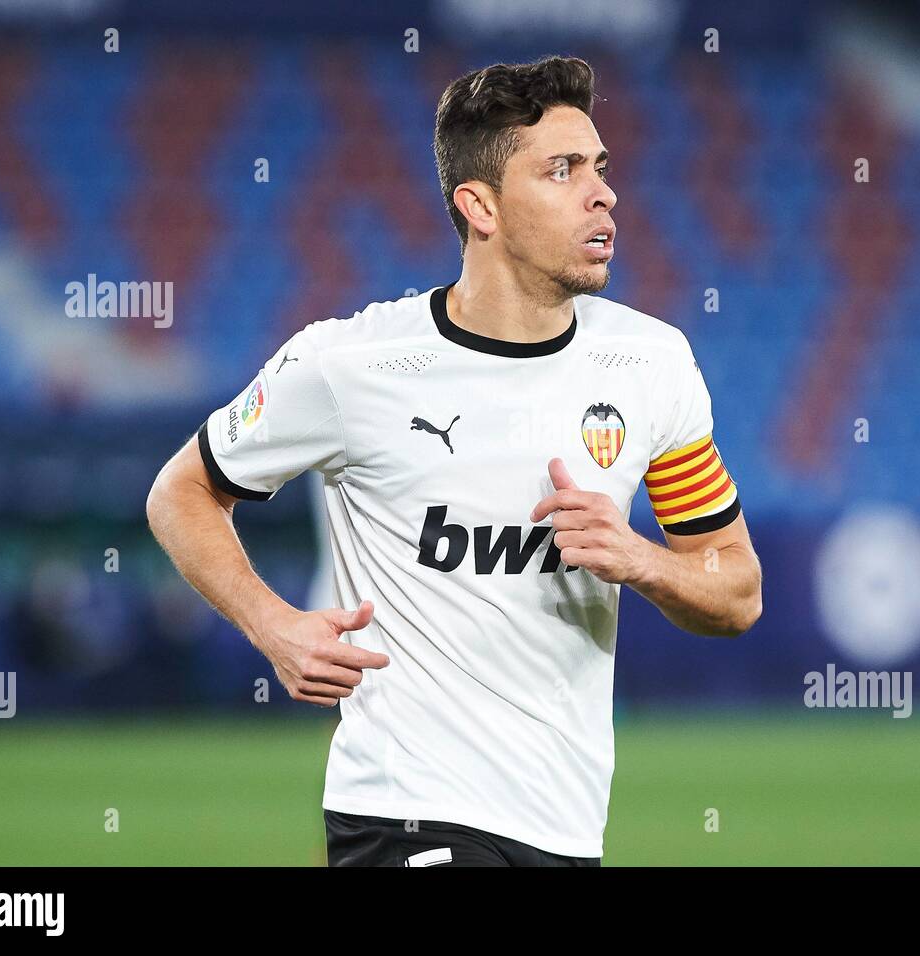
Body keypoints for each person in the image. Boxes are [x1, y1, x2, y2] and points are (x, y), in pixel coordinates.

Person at [146, 55, 762, 867]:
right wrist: (273, 624)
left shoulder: (651, 364)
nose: (603, 192)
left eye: (601, 168)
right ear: (481, 206)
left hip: (564, 825)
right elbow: (181, 490)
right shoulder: (349, 366)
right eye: (562, 170)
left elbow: (736, 589)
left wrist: (640, 560)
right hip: (405, 811)